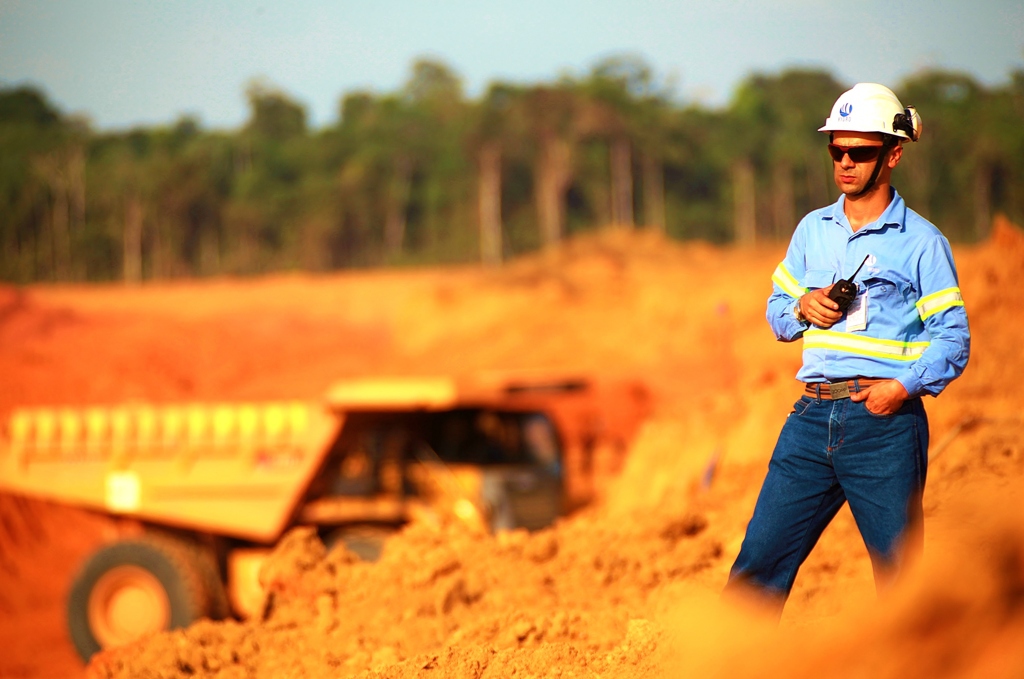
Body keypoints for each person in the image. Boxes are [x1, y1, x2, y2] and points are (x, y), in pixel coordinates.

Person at [724, 83, 970, 614]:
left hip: (883, 426)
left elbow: (954, 338)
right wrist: (800, 308)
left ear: (894, 155)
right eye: (836, 150)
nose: (845, 162)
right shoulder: (813, 229)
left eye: (859, 152)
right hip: (810, 419)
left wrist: (899, 389)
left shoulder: (923, 243)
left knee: (902, 582)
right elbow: (775, 312)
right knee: (757, 564)